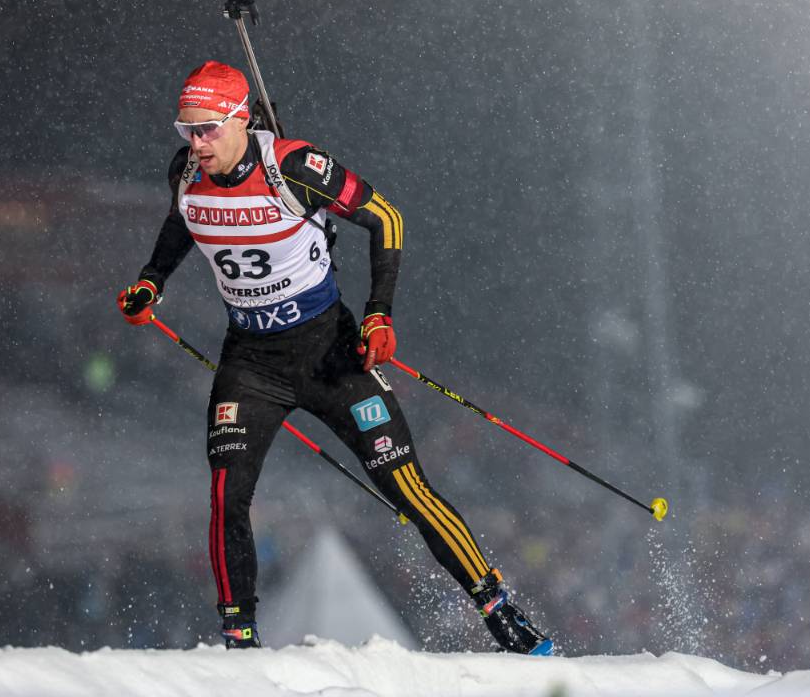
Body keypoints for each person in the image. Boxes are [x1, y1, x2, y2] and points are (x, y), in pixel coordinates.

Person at [117, 60, 552, 655]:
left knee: (406, 487)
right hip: (252, 362)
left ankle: (498, 608)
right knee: (226, 495)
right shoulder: (186, 171)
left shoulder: (294, 166)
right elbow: (181, 223)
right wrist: (152, 281)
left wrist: (379, 313)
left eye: (208, 128)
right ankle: (239, 637)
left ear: (242, 119)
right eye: (186, 129)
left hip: (330, 353)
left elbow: (386, 217)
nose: (197, 142)